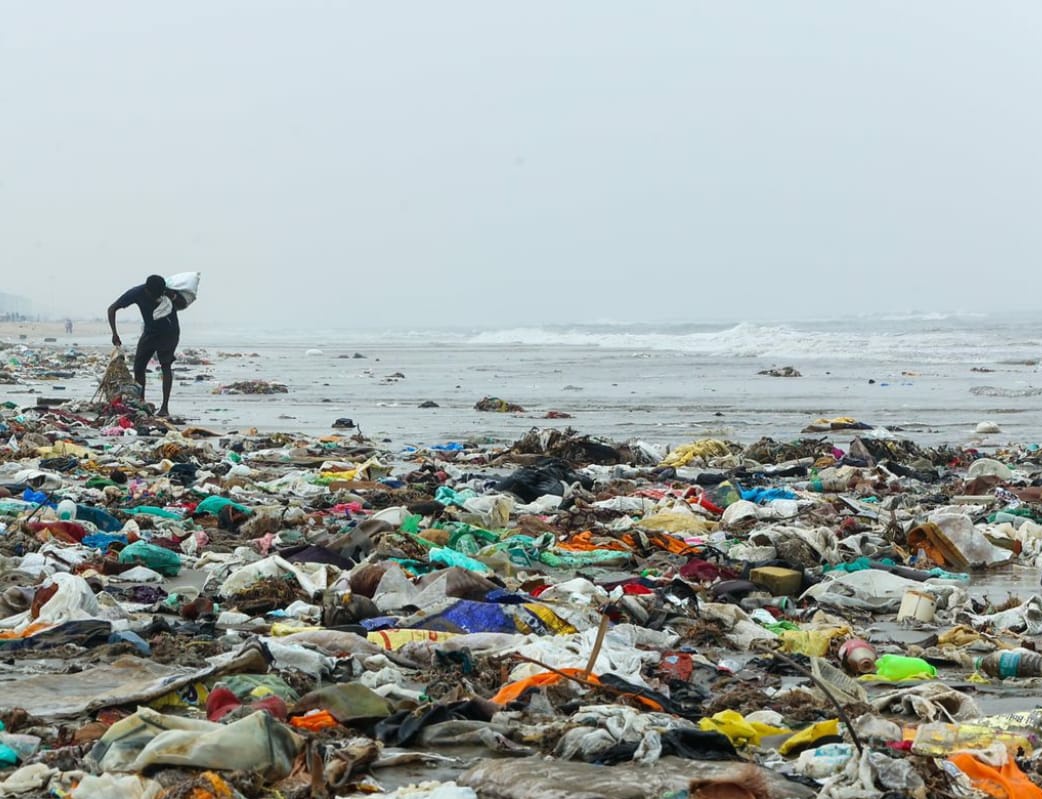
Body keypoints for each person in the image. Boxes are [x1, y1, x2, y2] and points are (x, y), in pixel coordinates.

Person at [107, 275, 184, 417]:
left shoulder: (167, 292)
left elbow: (182, 304)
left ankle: (164, 407)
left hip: (169, 333)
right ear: (147, 290)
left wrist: (173, 297)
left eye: (159, 294)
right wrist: (114, 334)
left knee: (166, 365)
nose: (157, 297)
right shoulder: (137, 293)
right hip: (149, 333)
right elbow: (112, 309)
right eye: (154, 295)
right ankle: (141, 402)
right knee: (138, 367)